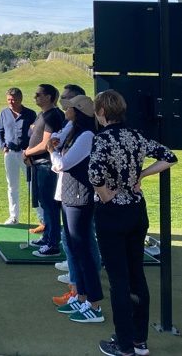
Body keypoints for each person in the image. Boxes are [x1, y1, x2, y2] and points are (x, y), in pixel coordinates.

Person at [89, 90, 177, 356]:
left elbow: (94, 173)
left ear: (102, 112)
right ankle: (139, 340)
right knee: (137, 274)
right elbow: (169, 157)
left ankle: (124, 344)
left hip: (112, 213)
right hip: (136, 211)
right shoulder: (136, 136)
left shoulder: (102, 139)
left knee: (119, 280)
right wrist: (142, 174)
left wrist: (105, 194)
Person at [49, 95, 104, 324]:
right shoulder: (74, 130)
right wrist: (55, 146)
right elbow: (57, 140)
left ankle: (94, 304)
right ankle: (81, 296)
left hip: (80, 197)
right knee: (74, 247)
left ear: (77, 111)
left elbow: (62, 164)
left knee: (83, 252)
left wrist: (53, 153)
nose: (65, 110)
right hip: (70, 196)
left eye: (69, 108)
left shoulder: (86, 136)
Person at [23, 84, 64, 257]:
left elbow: (45, 144)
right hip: (38, 164)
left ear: (49, 97)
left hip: (46, 165)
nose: (35, 97)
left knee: (50, 205)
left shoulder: (53, 115)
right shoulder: (43, 114)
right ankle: (47, 237)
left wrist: (27, 152)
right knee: (44, 203)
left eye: (39, 94)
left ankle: (53, 243)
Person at [0, 87, 36, 225]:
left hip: (26, 153)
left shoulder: (30, 114)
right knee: (12, 186)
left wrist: (31, 151)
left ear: (20, 99)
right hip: (10, 154)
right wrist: (3, 147)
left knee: (32, 185)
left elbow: (35, 134)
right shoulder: (4, 113)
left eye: (13, 99)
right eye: (8, 100)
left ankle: (41, 217)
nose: (11, 102)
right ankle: (13, 217)